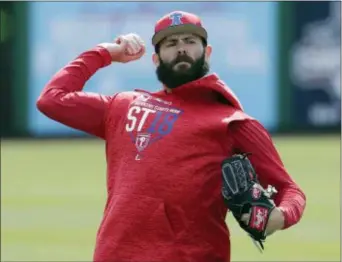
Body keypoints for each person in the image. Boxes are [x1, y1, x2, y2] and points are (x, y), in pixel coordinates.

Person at [37, 10, 306, 262]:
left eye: (190, 41)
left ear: (207, 53)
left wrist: (280, 217)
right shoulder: (123, 105)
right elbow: (52, 100)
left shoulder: (232, 122)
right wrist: (106, 53)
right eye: (170, 44)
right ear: (156, 58)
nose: (181, 48)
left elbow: (290, 190)